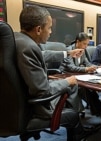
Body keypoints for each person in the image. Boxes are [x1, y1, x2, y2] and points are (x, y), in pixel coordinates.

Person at [14, 5, 87, 140]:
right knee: (72, 111)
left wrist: (68, 53)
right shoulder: (29, 47)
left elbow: (43, 54)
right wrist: (67, 81)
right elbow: (43, 91)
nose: (51, 32)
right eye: (49, 27)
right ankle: (76, 122)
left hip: (17, 103)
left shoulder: (18, 41)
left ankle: (74, 110)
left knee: (68, 86)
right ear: (39, 29)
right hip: (34, 108)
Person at [60, 32, 101, 115]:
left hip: (78, 76)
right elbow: (71, 67)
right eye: (84, 44)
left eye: (87, 44)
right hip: (66, 75)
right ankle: (98, 111)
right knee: (86, 89)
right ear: (78, 42)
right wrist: (86, 69)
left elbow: (87, 64)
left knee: (90, 88)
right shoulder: (69, 51)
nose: (86, 46)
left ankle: (99, 111)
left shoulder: (83, 51)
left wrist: (97, 67)